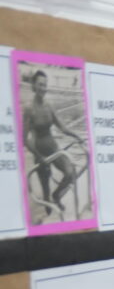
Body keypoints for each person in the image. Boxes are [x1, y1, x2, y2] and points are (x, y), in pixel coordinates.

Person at [22, 69, 86, 220]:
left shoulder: (49, 105)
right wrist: (38, 156)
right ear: (33, 85)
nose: (42, 88)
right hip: (40, 151)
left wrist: (76, 136)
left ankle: (56, 195)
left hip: (53, 147)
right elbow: (24, 139)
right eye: (39, 84)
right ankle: (49, 218)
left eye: (44, 85)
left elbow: (62, 127)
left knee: (70, 173)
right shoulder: (29, 108)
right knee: (45, 192)